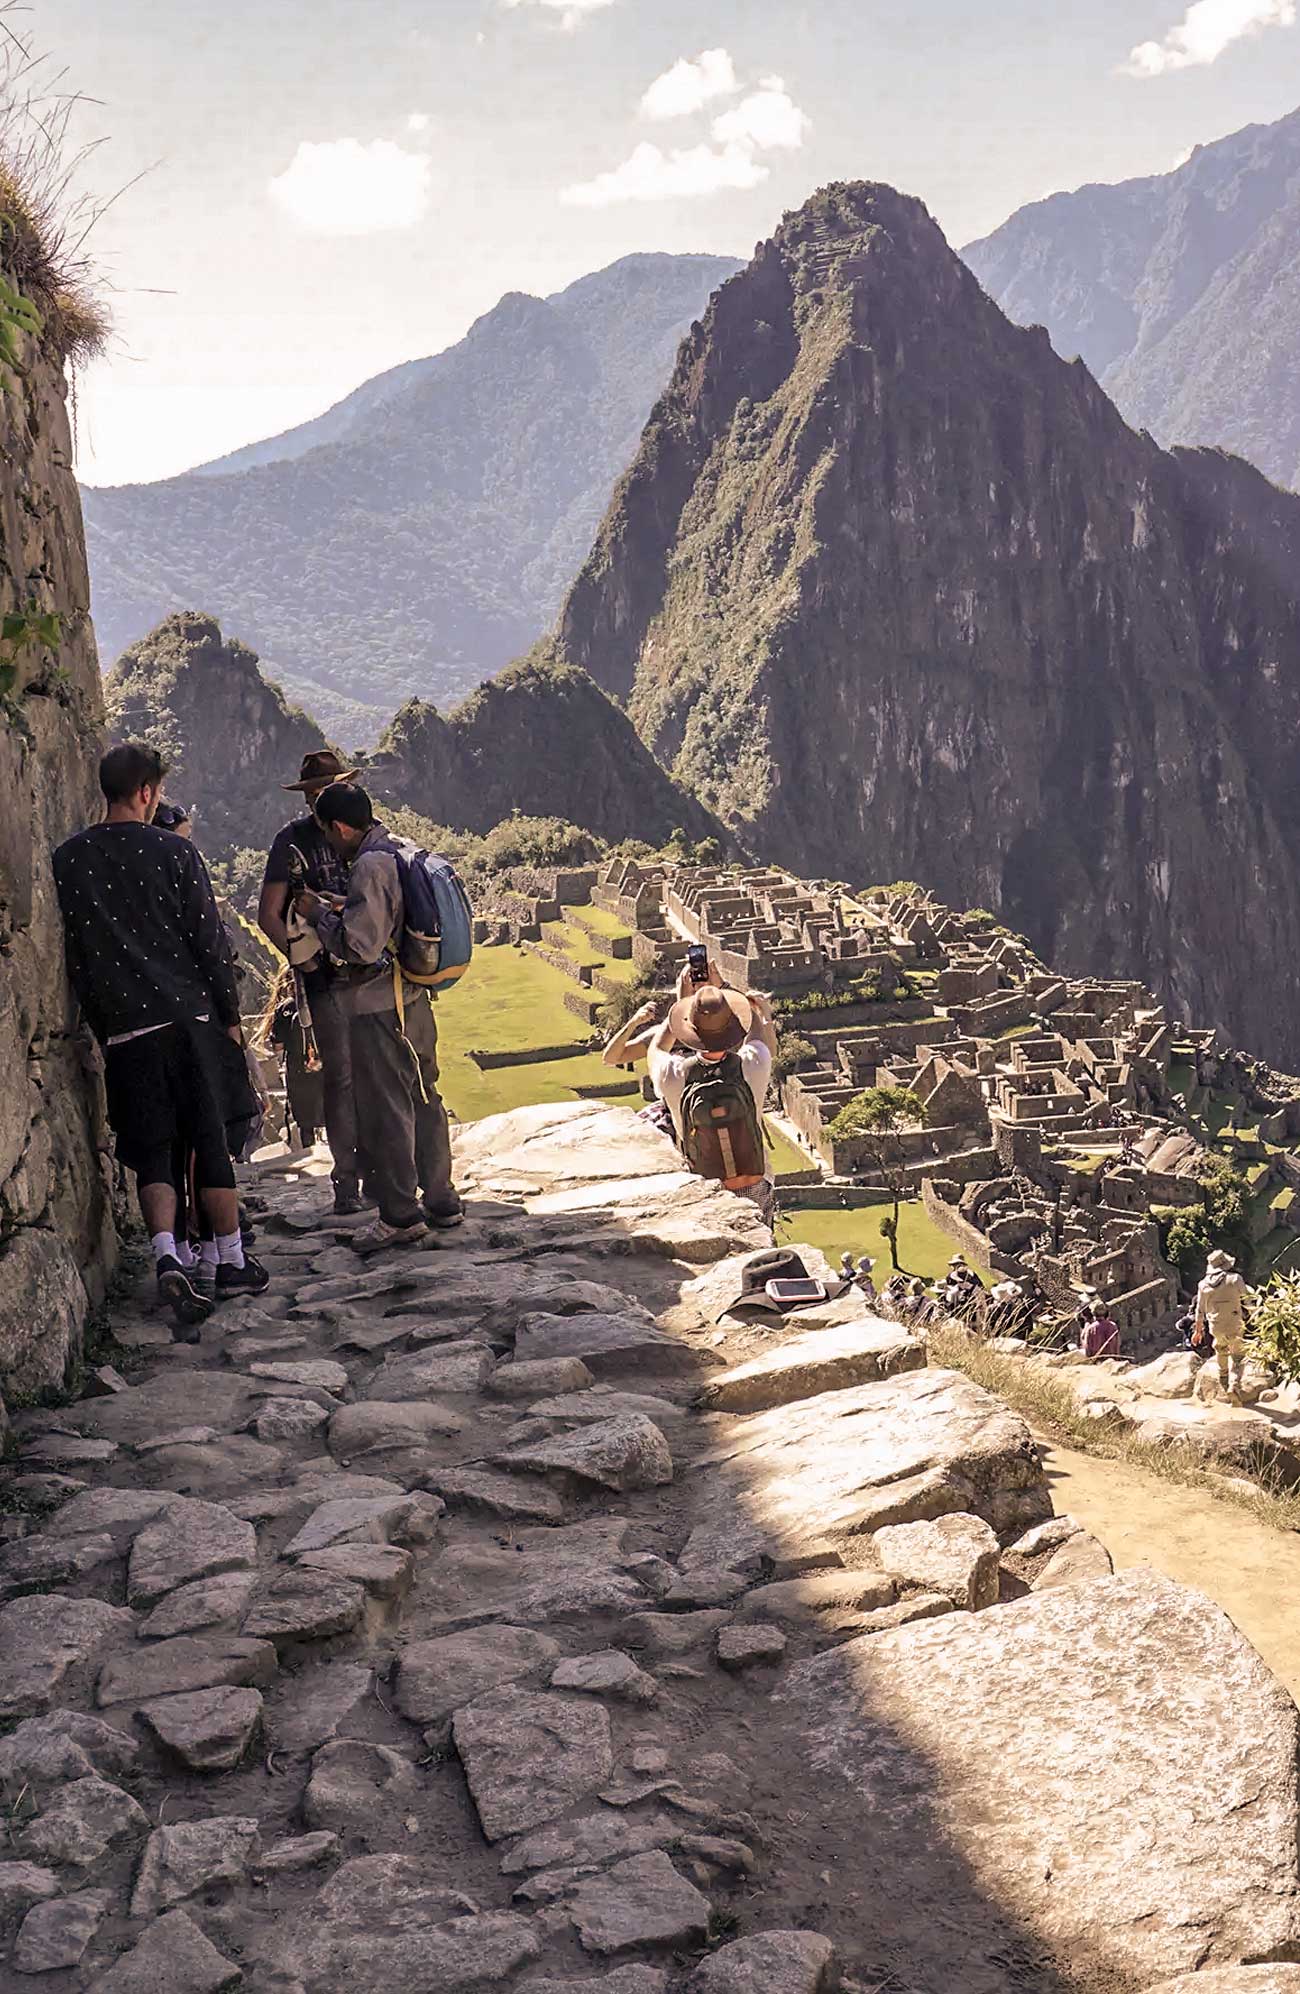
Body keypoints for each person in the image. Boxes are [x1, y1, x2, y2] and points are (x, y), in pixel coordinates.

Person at [53, 742, 269, 1336]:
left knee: (152, 1149)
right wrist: (229, 1016)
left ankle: (168, 1255)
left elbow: (77, 955)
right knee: (209, 1139)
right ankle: (230, 1260)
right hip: (188, 1020)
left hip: (125, 1028)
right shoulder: (174, 851)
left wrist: (104, 1028)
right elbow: (209, 942)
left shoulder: (69, 859)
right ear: (147, 792)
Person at [293, 782, 461, 1255]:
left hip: (379, 1007)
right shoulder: (397, 849)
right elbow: (388, 918)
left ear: (341, 827)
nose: (330, 843)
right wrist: (343, 906)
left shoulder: (369, 865)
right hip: (415, 999)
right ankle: (442, 1199)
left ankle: (399, 1215)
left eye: (329, 833)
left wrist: (318, 915)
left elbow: (360, 946)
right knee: (425, 1095)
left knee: (386, 1108)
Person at [259, 749, 371, 1217]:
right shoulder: (293, 841)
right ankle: (350, 1182)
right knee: (345, 1077)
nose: (318, 798)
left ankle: (377, 1177)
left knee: (367, 1075)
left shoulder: (359, 833)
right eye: (314, 792)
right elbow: (269, 915)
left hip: (362, 971)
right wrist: (303, 964)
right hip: (334, 977)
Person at [643, 959, 778, 1223]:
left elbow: (655, 1050)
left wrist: (681, 1007)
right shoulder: (754, 1063)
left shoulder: (673, 1073)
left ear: (688, 1028)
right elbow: (756, 1032)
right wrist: (728, 990)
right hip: (755, 1183)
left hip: (706, 1187)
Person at [1193, 1249, 1251, 1401]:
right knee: (1238, 1355)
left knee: (1221, 1349)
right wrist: (1256, 1317)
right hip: (1234, 1323)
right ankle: (1234, 1384)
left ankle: (1223, 1378)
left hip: (1215, 1325)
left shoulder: (1203, 1285)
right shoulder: (1235, 1279)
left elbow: (1200, 1310)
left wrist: (1197, 1331)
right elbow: (1248, 1300)